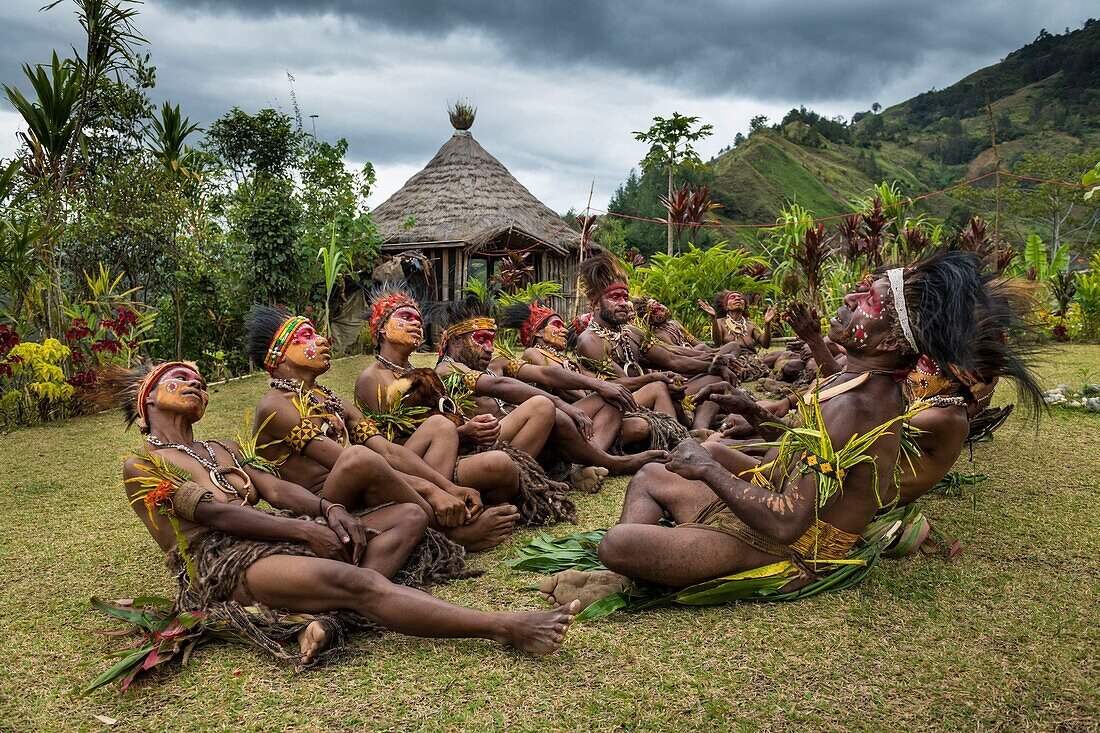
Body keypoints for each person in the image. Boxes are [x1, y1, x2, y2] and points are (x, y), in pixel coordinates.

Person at [538, 251, 1042, 610]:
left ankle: (637, 566)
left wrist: (710, 467)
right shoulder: (857, 376)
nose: (850, 297)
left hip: (787, 547)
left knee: (617, 542)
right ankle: (659, 559)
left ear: (890, 340)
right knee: (649, 475)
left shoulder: (867, 404)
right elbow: (796, 460)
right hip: (767, 503)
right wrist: (745, 424)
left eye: (868, 298)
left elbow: (787, 523)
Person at [103, 360, 578, 666]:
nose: (195, 385)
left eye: (200, 382)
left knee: (409, 518)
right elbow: (217, 517)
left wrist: (328, 508)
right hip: (224, 565)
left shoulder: (221, 448)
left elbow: (277, 488)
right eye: (179, 379)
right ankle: (504, 627)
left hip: (272, 540)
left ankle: (334, 621)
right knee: (362, 584)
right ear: (145, 402)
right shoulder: (141, 464)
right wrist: (304, 533)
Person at [245, 305, 514, 550]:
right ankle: (449, 534)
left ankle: (447, 514)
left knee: (437, 425)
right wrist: (431, 490)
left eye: (317, 334)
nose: (322, 340)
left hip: (359, 482)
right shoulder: (275, 406)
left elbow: (386, 450)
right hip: (324, 501)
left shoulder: (329, 399)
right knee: (358, 457)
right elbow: (351, 460)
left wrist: (447, 488)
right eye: (305, 336)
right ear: (278, 354)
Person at [434, 295, 669, 478]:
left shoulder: (500, 362)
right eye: (481, 340)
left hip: (543, 432)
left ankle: (585, 462)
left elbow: (546, 374)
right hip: (500, 444)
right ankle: (611, 463)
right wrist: (563, 405)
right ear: (455, 340)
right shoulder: (446, 369)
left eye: (490, 341)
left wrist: (600, 385)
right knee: (543, 406)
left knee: (610, 397)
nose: (488, 348)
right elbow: (499, 386)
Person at [499, 299, 688, 454]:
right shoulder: (532, 353)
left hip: (595, 412)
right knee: (637, 423)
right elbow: (555, 379)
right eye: (556, 325)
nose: (564, 330)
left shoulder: (570, 360)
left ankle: (677, 442)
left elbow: (606, 383)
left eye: (564, 325)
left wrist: (652, 378)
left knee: (652, 393)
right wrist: (601, 394)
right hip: (568, 416)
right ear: (538, 331)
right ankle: (591, 459)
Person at [574, 253, 734, 432]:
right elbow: (622, 385)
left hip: (652, 391)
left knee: (715, 378)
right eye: (615, 297)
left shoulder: (632, 333)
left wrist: (715, 365)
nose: (624, 303)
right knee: (659, 387)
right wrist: (659, 378)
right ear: (596, 304)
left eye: (625, 297)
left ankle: (699, 428)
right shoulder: (590, 341)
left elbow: (672, 360)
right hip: (620, 405)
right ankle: (680, 438)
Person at [698, 290, 777, 381]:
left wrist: (767, 324)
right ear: (727, 306)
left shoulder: (750, 325)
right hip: (732, 359)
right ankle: (737, 369)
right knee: (733, 345)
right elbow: (717, 342)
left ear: (744, 306)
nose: (738, 299)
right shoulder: (720, 322)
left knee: (781, 354)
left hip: (753, 359)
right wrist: (713, 318)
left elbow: (765, 344)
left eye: (740, 298)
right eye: (733, 298)